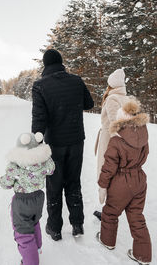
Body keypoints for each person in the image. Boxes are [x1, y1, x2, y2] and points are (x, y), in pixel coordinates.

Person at [31, 49, 94, 241]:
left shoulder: (40, 86)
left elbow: (39, 119)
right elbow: (89, 104)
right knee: (73, 182)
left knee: (54, 184)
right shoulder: (76, 81)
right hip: (76, 141)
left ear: (45, 65)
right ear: (60, 62)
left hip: (54, 144)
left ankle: (55, 228)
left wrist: (35, 144)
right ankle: (77, 224)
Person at [96, 99, 152, 265]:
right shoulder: (143, 137)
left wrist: (102, 184)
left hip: (121, 181)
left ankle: (107, 241)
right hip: (140, 180)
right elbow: (145, 155)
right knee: (136, 216)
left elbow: (109, 167)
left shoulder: (117, 141)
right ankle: (143, 255)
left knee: (111, 212)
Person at [0, 132, 55, 265]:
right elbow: (52, 169)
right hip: (38, 199)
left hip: (22, 202)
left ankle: (31, 261)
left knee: (23, 234)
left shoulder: (16, 165)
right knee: (34, 223)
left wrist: (3, 180)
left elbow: (6, 184)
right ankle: (37, 248)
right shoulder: (43, 162)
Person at [94, 68, 131, 220]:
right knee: (115, 174)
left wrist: (116, 142)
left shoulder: (112, 98)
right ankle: (111, 209)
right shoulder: (126, 98)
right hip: (120, 142)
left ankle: (109, 211)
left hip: (110, 141)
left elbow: (117, 123)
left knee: (106, 173)